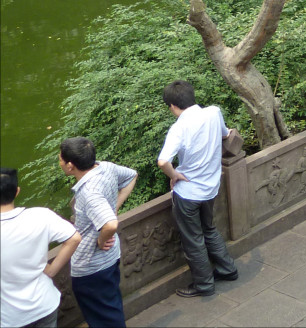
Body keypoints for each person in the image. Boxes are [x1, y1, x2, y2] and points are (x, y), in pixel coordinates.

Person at [156, 81, 237, 299]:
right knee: (208, 228)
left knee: (193, 240)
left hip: (188, 194)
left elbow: (163, 161)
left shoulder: (179, 128)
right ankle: (228, 269)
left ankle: (204, 285)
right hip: (211, 187)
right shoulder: (213, 112)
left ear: (172, 106)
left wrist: (174, 176)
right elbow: (224, 134)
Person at [59, 137, 137, 325]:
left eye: (60, 159)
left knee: (104, 319)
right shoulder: (106, 167)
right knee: (110, 308)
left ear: (70, 166)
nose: (59, 162)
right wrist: (114, 208)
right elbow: (132, 175)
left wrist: (101, 240)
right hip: (110, 258)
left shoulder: (89, 191)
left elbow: (110, 225)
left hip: (92, 267)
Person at [1, 166, 81, 328]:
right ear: (17, 191)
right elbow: (74, 238)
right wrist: (52, 270)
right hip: (45, 304)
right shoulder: (40, 215)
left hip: (10, 316)